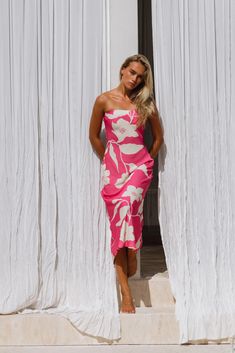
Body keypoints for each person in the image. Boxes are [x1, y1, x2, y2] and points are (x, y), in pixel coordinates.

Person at [89, 54, 164, 314]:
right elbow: (93, 136)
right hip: (114, 170)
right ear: (122, 70)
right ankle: (126, 293)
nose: (135, 79)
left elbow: (158, 138)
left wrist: (145, 162)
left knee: (127, 204)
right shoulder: (104, 100)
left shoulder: (145, 102)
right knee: (118, 222)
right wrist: (110, 160)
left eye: (140, 76)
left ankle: (132, 254)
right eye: (132, 72)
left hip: (138, 169)